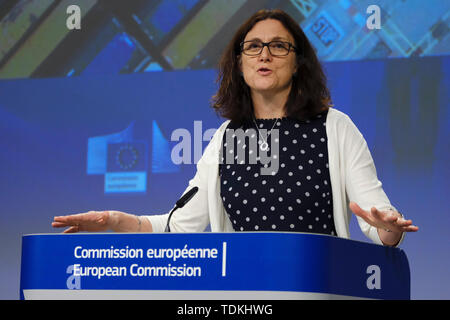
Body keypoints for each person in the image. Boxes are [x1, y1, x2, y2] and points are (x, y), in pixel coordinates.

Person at [52, 9, 418, 246]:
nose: (264, 55)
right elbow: (179, 227)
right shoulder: (228, 137)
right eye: (254, 46)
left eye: (278, 46)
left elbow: (377, 221)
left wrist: (388, 225)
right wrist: (115, 220)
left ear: (298, 62)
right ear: (239, 63)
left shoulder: (334, 128)